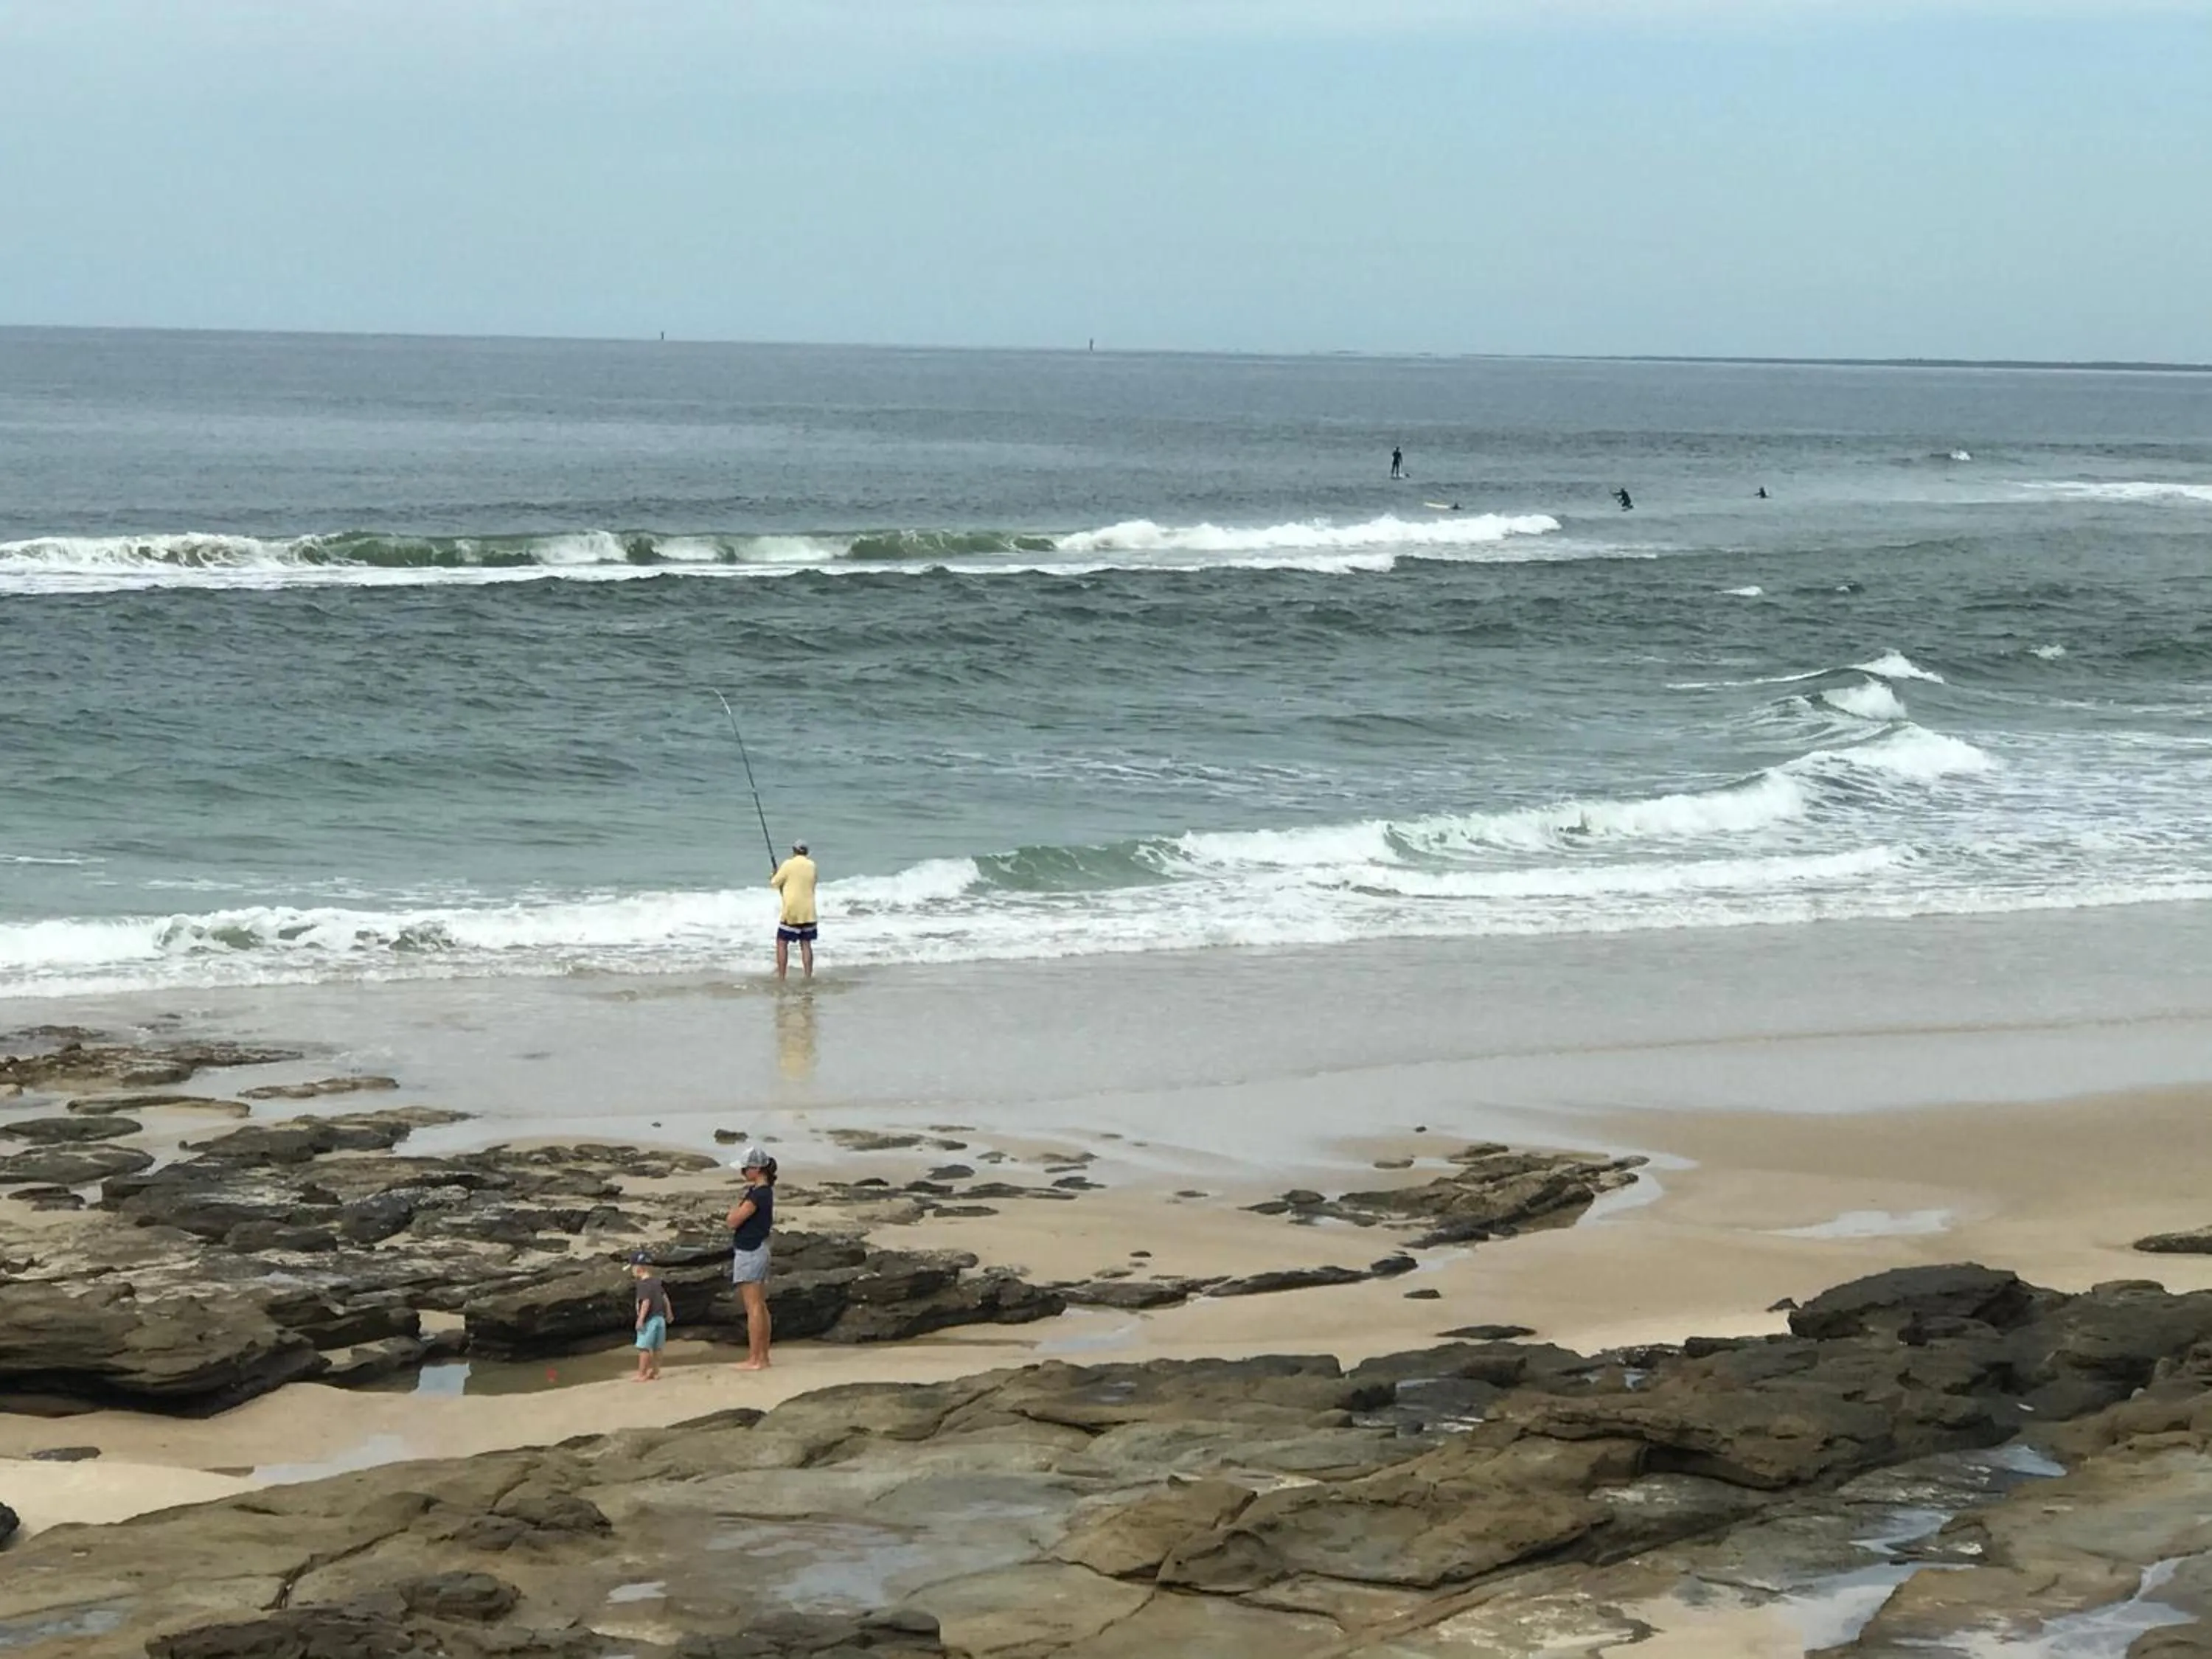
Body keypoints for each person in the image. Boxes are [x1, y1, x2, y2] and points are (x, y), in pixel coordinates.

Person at [726, 1147, 778, 1371]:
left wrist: (733, 1212)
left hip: (750, 1250)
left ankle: (756, 1358)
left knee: (754, 1306)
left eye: (746, 1169)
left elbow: (733, 1220)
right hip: (758, 1248)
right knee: (760, 1305)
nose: (743, 1173)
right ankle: (762, 1356)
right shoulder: (763, 1193)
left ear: (757, 1169)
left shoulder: (758, 1194)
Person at [770, 841, 817, 981]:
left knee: (782, 942)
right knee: (806, 943)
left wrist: (774, 874)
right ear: (807, 852)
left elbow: (774, 883)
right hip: (808, 910)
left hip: (792, 911)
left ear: (794, 851)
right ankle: (808, 976)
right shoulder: (812, 866)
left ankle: (782, 976)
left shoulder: (788, 864)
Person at [630, 1252, 671, 1382]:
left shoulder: (643, 1284)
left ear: (638, 1268)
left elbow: (646, 1302)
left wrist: (640, 1319)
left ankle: (642, 1374)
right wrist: (669, 1313)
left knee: (644, 1347)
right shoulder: (656, 1282)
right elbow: (665, 1298)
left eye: (632, 1268)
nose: (632, 1272)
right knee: (657, 1348)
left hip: (649, 1320)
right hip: (660, 1318)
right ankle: (656, 1372)